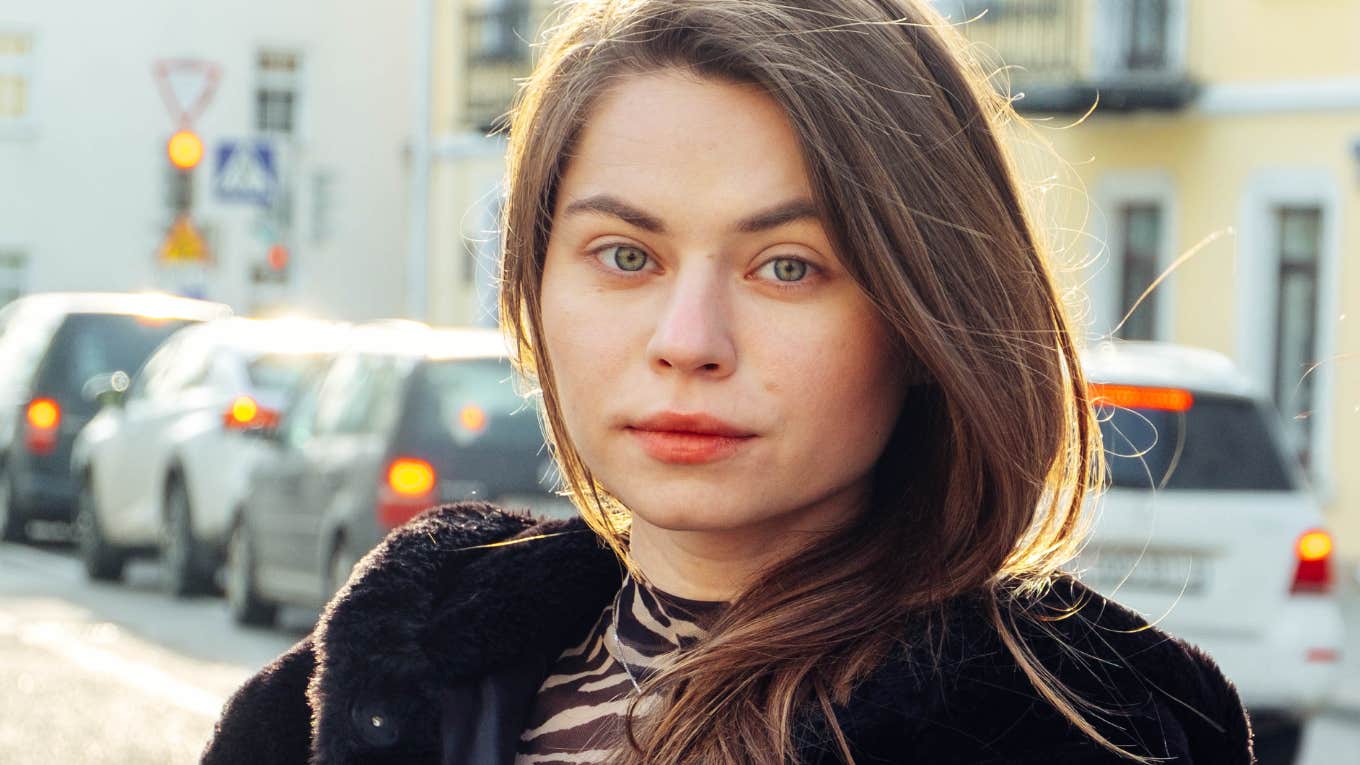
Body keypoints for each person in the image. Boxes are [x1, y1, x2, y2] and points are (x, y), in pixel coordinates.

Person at [203, 1, 1254, 763]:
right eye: (624, 255)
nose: (687, 339)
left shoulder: (1096, 729)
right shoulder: (367, 680)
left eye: (787, 267)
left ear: (926, 314)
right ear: (531, 287)